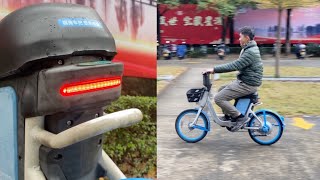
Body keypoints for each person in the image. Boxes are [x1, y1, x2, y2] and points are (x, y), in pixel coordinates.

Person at [203, 26, 263, 131]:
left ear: (247, 38)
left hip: (248, 84)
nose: (239, 39)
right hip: (246, 81)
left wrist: (214, 69)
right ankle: (228, 116)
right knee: (222, 89)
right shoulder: (249, 48)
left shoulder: (250, 52)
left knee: (218, 98)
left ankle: (240, 117)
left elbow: (234, 65)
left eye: (240, 37)